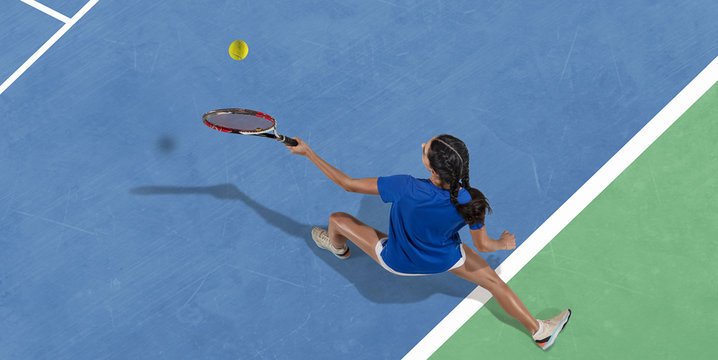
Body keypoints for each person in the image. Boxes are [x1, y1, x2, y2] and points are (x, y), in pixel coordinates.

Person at [283, 134, 570, 350]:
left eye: (426, 150)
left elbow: (347, 183)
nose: (422, 145)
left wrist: (308, 152)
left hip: (396, 260)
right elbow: (483, 246)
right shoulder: (473, 200)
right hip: (446, 259)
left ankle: (338, 248)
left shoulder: (405, 186)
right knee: (495, 283)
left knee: (337, 219)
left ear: (432, 169)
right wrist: (503, 243)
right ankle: (539, 331)